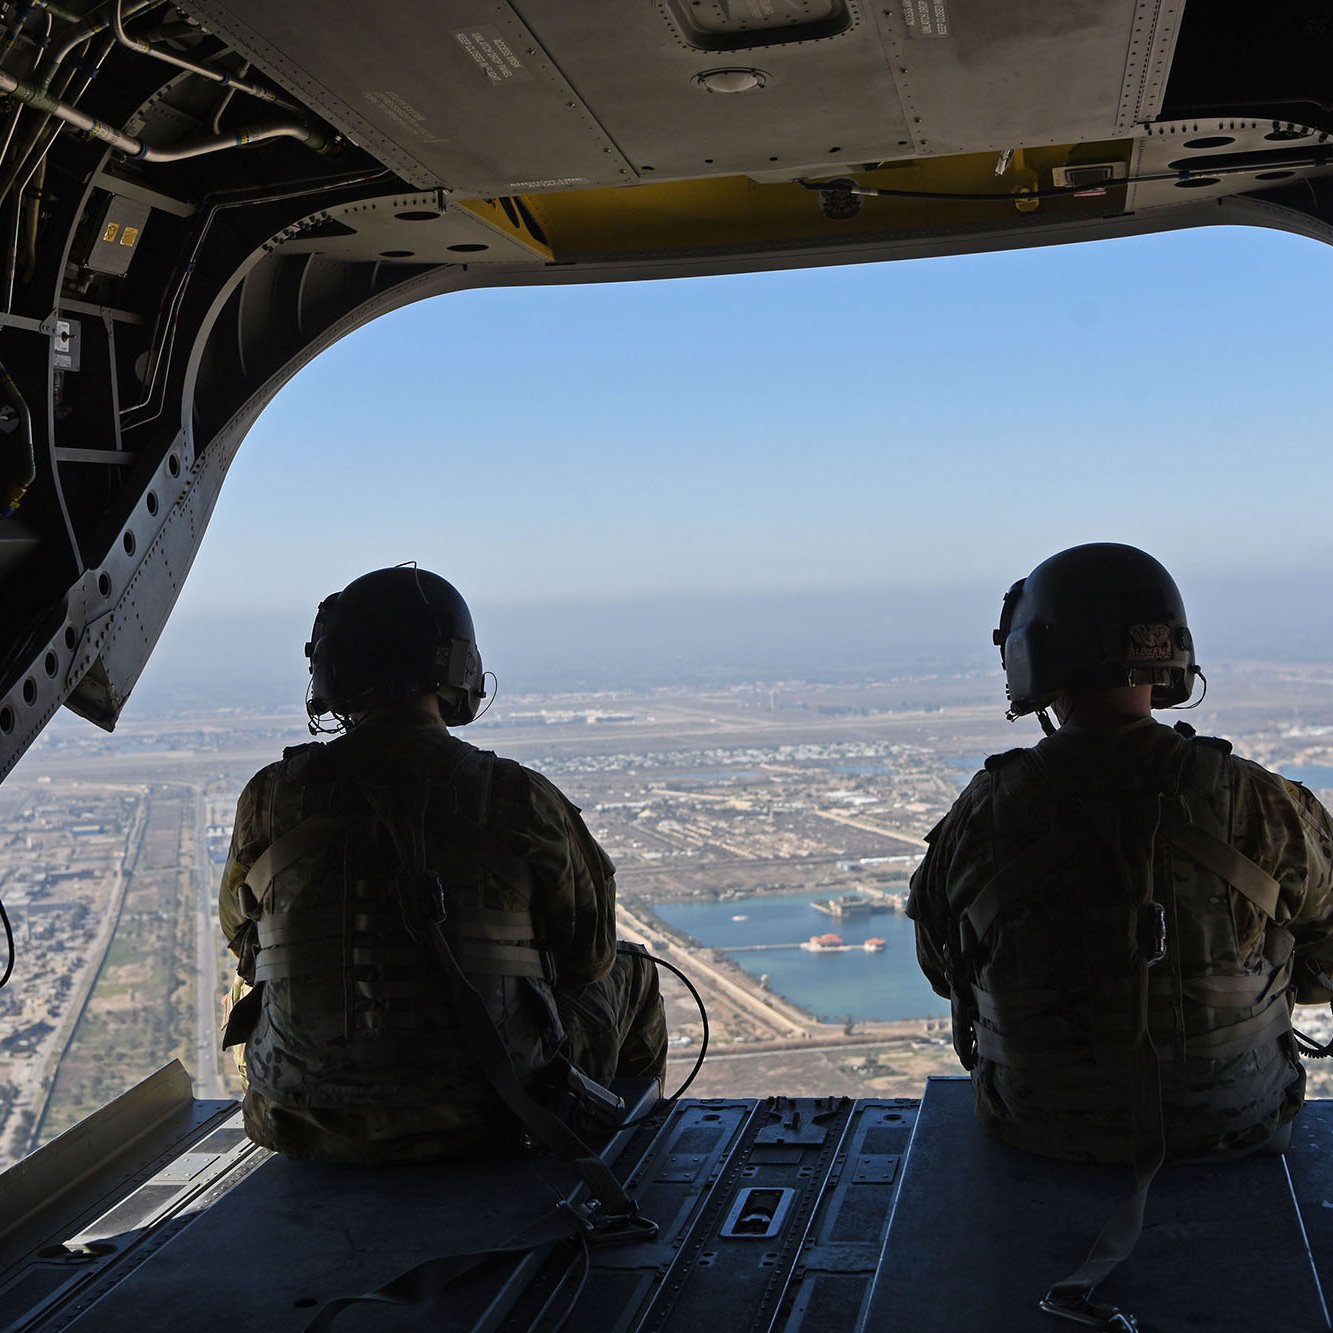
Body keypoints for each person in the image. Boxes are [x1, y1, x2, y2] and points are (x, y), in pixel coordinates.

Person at [217, 565, 667, 1162]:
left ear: (332, 669)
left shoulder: (270, 799)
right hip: (495, 1115)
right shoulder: (517, 796)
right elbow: (588, 957)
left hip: (303, 1122)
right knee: (632, 970)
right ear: (458, 668)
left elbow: (240, 936)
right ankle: (635, 1162)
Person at [907, 543, 1333, 1166]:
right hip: (1238, 1128)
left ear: (1035, 656)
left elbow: (943, 968)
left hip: (1039, 1131)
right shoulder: (1260, 800)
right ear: (1172, 654)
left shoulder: (987, 810)